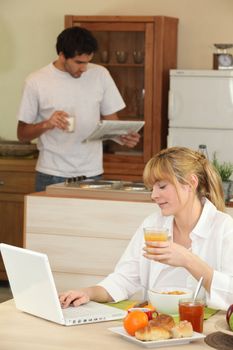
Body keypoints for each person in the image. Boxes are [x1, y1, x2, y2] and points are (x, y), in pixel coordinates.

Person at [59, 146, 233, 311]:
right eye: (152, 188)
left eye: (162, 186)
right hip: (156, 324)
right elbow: (125, 278)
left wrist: (188, 260)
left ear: (190, 183)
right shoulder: (153, 225)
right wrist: (87, 293)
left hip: (206, 328)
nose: (154, 195)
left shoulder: (224, 227)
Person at [17, 26, 140, 191]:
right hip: (51, 174)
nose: (84, 68)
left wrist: (123, 136)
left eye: (87, 62)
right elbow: (22, 134)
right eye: (78, 62)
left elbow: (112, 122)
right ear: (61, 55)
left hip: (92, 174)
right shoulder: (36, 81)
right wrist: (47, 124)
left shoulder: (100, 74)